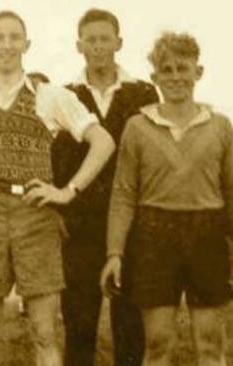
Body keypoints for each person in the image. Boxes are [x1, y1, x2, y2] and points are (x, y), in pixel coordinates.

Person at [0, 10, 115, 366]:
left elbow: (102, 141)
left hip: (35, 218)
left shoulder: (49, 95)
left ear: (26, 44)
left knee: (43, 330)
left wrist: (67, 191)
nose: (6, 45)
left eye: (14, 37)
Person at [100, 31, 232, 366]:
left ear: (197, 72)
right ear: (155, 76)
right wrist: (115, 253)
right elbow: (124, 194)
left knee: (210, 342)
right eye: (167, 69)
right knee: (159, 343)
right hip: (154, 235)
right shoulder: (137, 126)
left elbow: (231, 192)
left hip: (207, 233)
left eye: (182, 68)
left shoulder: (219, 126)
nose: (175, 77)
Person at [50, 9, 159, 366]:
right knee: (79, 322)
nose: (98, 47)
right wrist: (59, 211)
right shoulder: (65, 93)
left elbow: (151, 157)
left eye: (104, 39)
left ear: (118, 43)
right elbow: (57, 163)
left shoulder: (143, 92)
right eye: (91, 40)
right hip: (79, 225)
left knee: (129, 325)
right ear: (79, 45)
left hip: (130, 225)